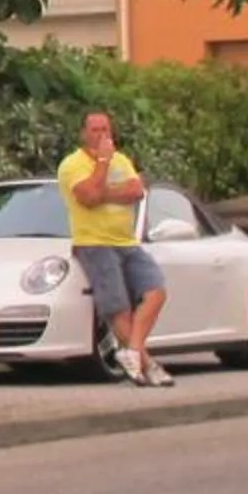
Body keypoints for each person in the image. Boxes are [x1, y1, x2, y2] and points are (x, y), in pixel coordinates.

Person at [61, 110, 168, 386]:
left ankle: (132, 351)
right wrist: (103, 164)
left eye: (105, 130)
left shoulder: (123, 160)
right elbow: (87, 197)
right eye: (95, 130)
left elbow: (136, 191)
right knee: (118, 307)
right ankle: (148, 365)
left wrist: (104, 192)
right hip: (94, 243)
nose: (101, 135)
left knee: (155, 291)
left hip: (126, 242)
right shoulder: (72, 165)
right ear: (84, 134)